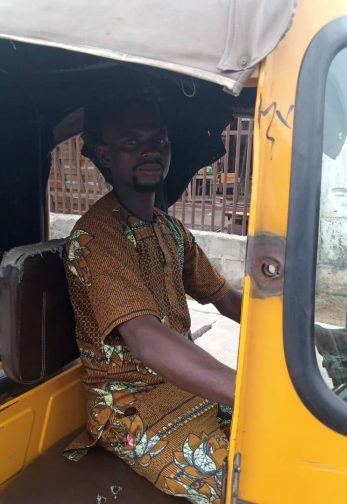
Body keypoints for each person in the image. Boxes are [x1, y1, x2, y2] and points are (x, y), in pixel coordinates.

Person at [63, 92, 242, 503]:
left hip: (180, 387)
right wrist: (246, 389)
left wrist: (311, 333)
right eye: (132, 141)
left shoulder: (170, 229)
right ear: (106, 155)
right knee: (241, 479)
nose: (149, 151)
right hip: (128, 407)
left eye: (158, 140)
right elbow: (143, 336)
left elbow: (225, 298)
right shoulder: (96, 236)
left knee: (275, 436)